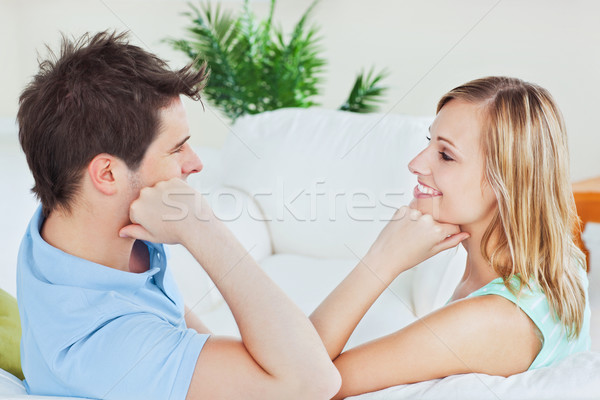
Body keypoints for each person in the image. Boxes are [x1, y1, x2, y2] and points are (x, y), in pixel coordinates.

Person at [16, 31, 341, 400]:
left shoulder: (70, 222)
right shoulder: (108, 347)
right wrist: (201, 227)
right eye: (177, 148)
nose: (196, 163)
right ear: (107, 174)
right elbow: (315, 382)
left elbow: (204, 343)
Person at [309, 76, 592, 399]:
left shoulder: (490, 320)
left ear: (506, 182)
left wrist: (381, 261)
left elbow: (303, 381)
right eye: (429, 142)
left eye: (445, 155)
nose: (415, 164)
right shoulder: (560, 260)